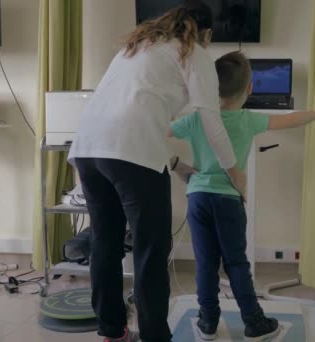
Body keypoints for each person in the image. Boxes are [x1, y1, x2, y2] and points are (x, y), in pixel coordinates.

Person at [68, 2, 246, 341]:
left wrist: (176, 165)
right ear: (205, 32)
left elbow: (138, 113)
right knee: (150, 250)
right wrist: (235, 173)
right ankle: (153, 337)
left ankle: (112, 332)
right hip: (130, 153)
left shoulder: (136, 48)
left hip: (89, 148)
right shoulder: (194, 53)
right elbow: (212, 122)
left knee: (105, 242)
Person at [169, 51, 315, 341]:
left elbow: (160, 130)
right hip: (228, 201)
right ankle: (255, 323)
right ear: (250, 88)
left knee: (206, 263)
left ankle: (207, 323)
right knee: (235, 263)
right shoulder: (248, 120)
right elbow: (292, 120)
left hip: (197, 199)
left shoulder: (195, 120)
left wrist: (175, 160)